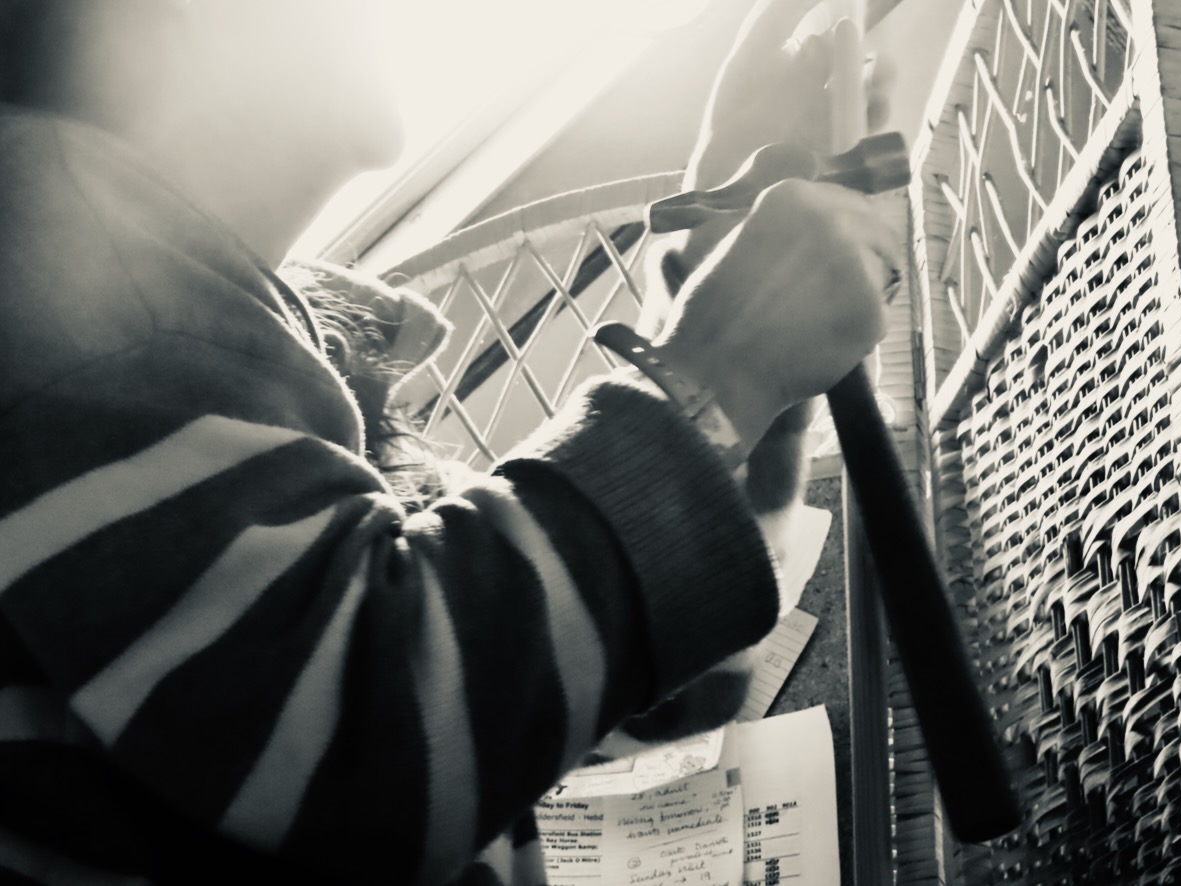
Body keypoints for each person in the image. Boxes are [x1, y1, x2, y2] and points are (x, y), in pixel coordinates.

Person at [0, 0, 898, 883]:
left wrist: (720, 298)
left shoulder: (227, 356)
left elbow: (611, 702)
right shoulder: (50, 276)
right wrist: (715, 377)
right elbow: (380, 751)